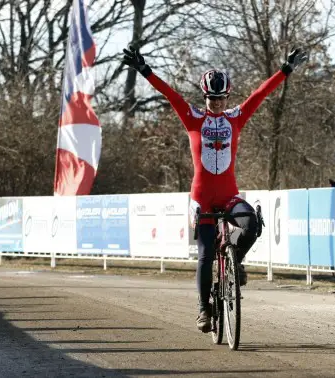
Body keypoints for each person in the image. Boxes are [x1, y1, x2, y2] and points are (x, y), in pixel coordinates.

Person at [122, 43, 308, 333]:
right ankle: (203, 309)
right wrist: (144, 70)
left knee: (252, 226)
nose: (217, 103)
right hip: (202, 199)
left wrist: (286, 69)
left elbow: (260, 95)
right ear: (205, 96)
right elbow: (169, 94)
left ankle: (236, 263)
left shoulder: (236, 117)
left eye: (221, 98)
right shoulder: (192, 117)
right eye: (212, 98)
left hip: (229, 195)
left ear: (227, 96)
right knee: (206, 254)